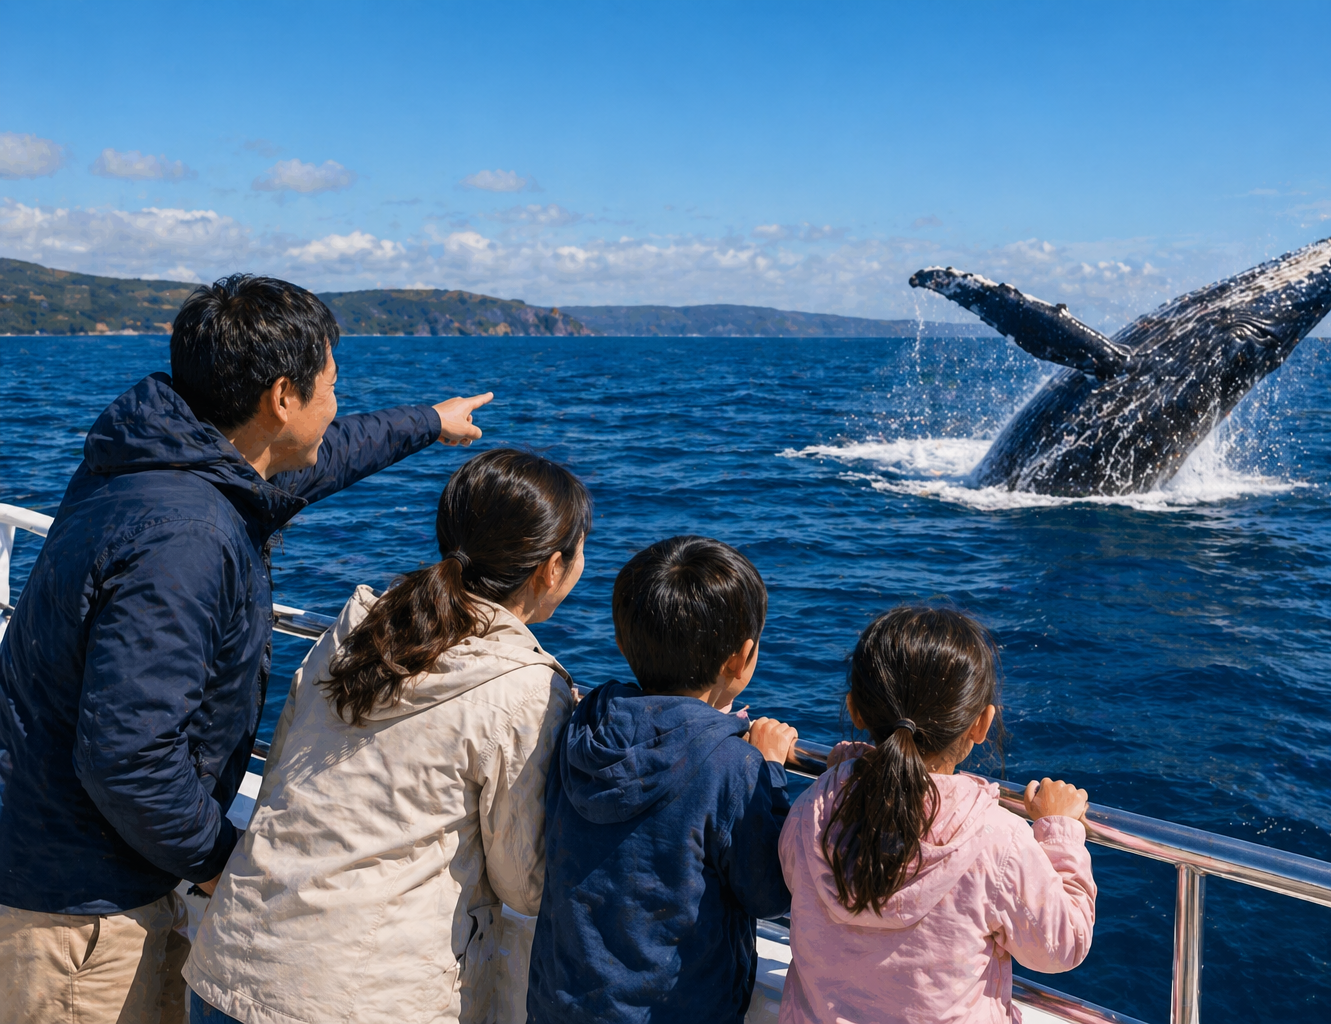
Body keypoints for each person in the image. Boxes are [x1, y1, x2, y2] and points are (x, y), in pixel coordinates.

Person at [0, 274, 491, 1024]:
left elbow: (317, 460)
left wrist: (430, 421)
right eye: (332, 385)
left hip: (85, 859)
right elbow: (127, 757)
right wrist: (222, 862)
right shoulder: (185, 537)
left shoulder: (165, 454)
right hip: (77, 914)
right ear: (283, 397)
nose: (337, 403)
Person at [184, 449, 591, 1024]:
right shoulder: (525, 687)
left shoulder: (354, 631)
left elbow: (280, 774)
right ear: (552, 568)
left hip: (232, 967)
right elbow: (523, 882)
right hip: (358, 1000)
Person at [777, 606, 1096, 1024]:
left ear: (856, 710)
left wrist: (844, 774)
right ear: (981, 724)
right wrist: (1061, 833)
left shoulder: (812, 809)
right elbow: (1062, 945)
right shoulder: (998, 840)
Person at [527, 535, 798, 1024]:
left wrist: (709, 723)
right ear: (741, 658)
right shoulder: (733, 766)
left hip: (560, 1006)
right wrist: (769, 771)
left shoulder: (585, 723)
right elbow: (771, 894)